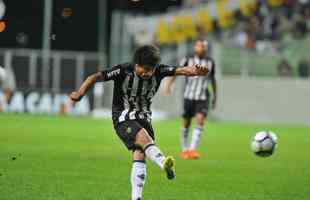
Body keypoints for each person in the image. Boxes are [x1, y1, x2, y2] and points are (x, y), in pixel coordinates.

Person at [69, 45, 209, 200]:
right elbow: (94, 77)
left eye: (151, 69)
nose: (148, 73)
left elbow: (181, 70)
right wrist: (80, 93)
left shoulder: (159, 71)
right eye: (145, 69)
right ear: (136, 65)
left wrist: (195, 71)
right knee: (143, 138)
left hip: (144, 118)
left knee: (140, 154)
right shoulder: (123, 70)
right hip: (123, 117)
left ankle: (136, 197)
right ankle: (163, 163)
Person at [163, 39, 217, 160]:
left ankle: (192, 149)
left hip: (203, 96)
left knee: (200, 120)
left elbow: (213, 80)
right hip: (189, 96)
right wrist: (168, 86)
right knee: (186, 123)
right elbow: (176, 72)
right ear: (195, 47)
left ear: (205, 48)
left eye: (202, 46)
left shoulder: (210, 62)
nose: (200, 48)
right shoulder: (187, 59)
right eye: (198, 45)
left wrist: (215, 97)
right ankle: (184, 149)